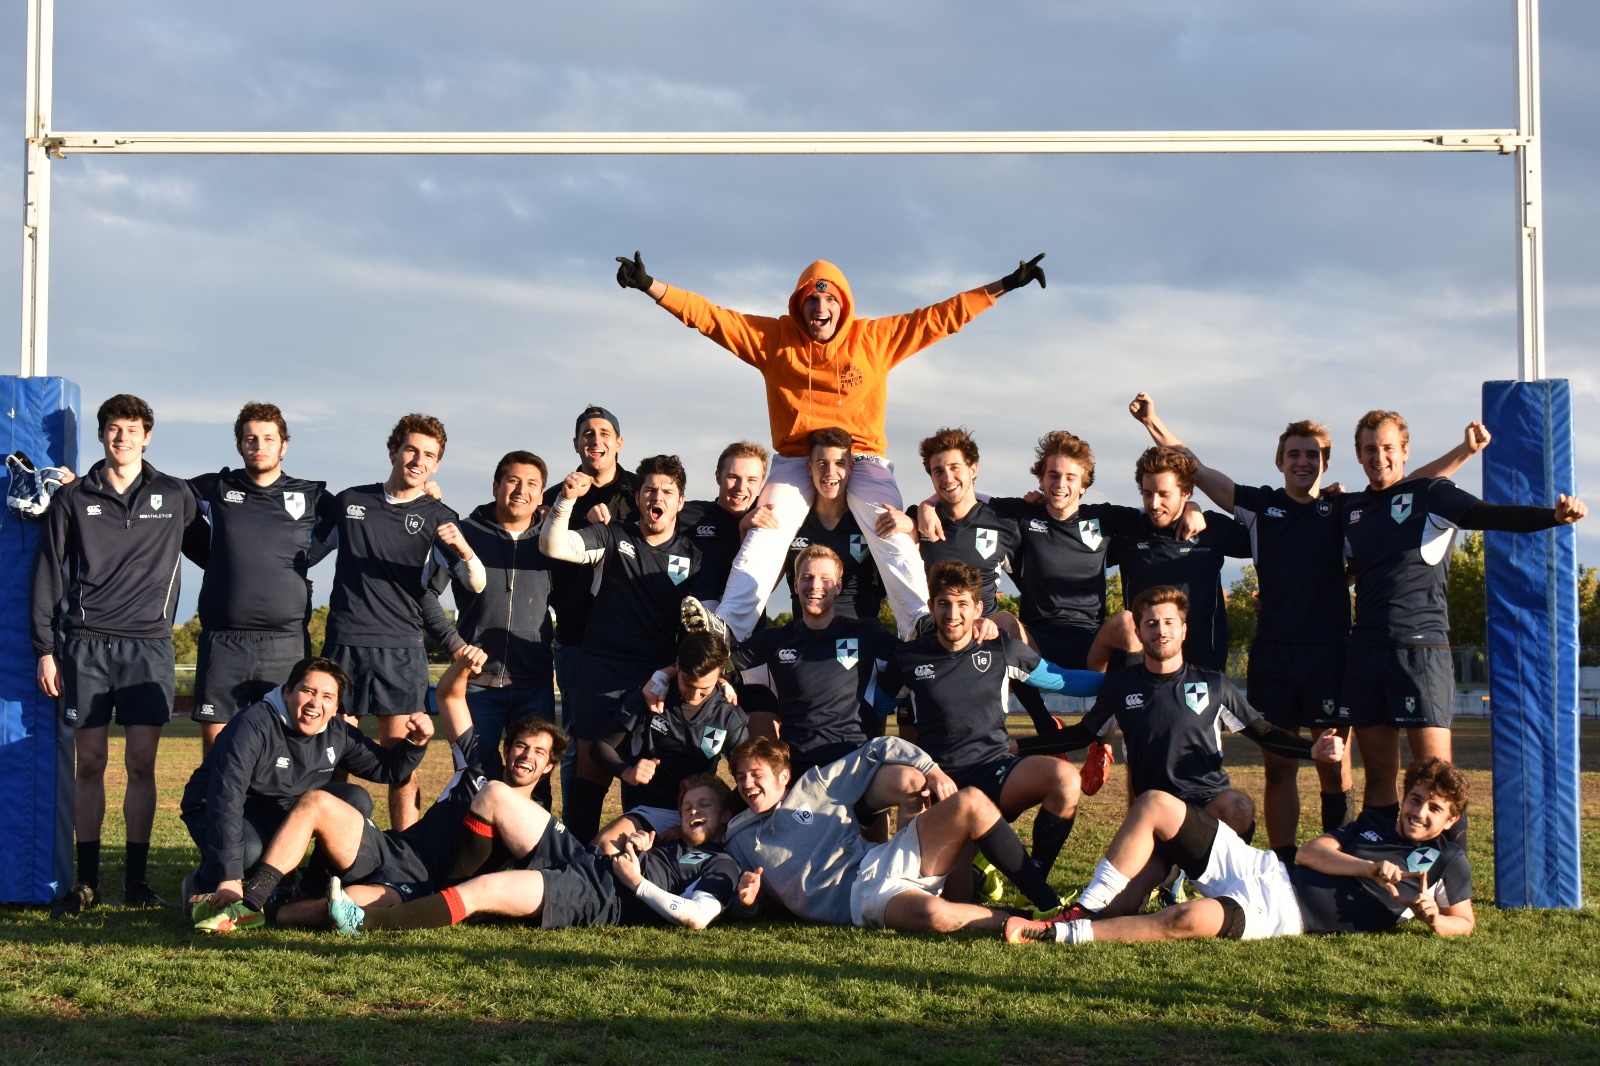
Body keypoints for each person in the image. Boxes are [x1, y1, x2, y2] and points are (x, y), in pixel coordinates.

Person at [616, 250, 1047, 640]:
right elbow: (710, 318)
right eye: (810, 301)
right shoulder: (774, 340)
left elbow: (941, 317)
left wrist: (1004, 285)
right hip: (798, 457)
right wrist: (652, 286)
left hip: (861, 457)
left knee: (890, 526)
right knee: (767, 529)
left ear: (843, 305)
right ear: (799, 305)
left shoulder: (874, 340)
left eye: (830, 301)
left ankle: (918, 620)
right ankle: (727, 628)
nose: (820, 309)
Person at [1129, 393, 1488, 860]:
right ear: (1280, 461)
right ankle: (1282, 864)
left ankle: (1336, 861)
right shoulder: (1259, 508)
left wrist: (1462, 454)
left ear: (1326, 462)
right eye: (1294, 453)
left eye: (1312, 454)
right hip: (1274, 656)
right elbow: (1193, 467)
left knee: (1335, 770)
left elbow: (1411, 485)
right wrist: (1153, 420)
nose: (1303, 461)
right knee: (1279, 768)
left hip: (1332, 657)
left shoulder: (1346, 511)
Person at [1338, 409, 1585, 842]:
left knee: (1436, 781)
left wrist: (1553, 516)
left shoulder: (1431, 495)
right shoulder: (1353, 510)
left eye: (1388, 448)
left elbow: (1487, 515)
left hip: (1420, 651)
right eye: (1370, 448)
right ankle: (1386, 865)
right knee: (1379, 774)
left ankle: (1450, 881)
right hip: (1366, 651)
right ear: (1358, 454)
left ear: (1404, 450)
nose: (1380, 456)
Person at [1018, 585, 1345, 912]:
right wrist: (1018, 745)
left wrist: (1312, 750)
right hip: (1153, 819)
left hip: (1206, 812)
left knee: (1238, 805)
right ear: (1138, 632)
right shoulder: (1121, 686)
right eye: (1151, 623)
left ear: (1184, 630)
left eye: (1169, 622)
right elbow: (1080, 735)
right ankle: (1160, 876)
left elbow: (1264, 732)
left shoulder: (1213, 684)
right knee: (1117, 909)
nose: (1161, 630)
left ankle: (1201, 876)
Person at [207, 653, 563, 932]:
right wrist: (461, 664)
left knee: (341, 905)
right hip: (392, 850)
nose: (525, 756)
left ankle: (265, 913)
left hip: (421, 888)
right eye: (520, 746)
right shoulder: (477, 767)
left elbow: (534, 881)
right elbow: (449, 695)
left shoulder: (530, 822)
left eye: (538, 752)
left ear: (549, 766)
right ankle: (252, 897)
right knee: (317, 801)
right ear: (506, 750)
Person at [30, 393, 202, 912]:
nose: (122, 436)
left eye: (132, 428)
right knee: (91, 763)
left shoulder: (176, 496)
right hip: (84, 645)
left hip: (147, 645)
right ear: (102, 435)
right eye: (113, 428)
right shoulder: (73, 498)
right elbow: (46, 577)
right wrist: (45, 649)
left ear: (147, 436)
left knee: (143, 764)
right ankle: (86, 882)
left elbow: (221, 548)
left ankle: (136, 882)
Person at [1003, 758, 1474, 944]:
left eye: (1435, 809)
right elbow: (1311, 853)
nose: (1420, 813)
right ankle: (1086, 906)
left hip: (1282, 912)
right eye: (1416, 799)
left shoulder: (1449, 861)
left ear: (1450, 820)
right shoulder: (1372, 824)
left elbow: (1464, 922)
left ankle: (1065, 937)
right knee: (1156, 804)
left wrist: (1433, 916)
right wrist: (1371, 867)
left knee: (1189, 921)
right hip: (1264, 865)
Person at [874, 561, 1105, 876]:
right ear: (931, 606)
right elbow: (873, 709)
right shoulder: (909, 658)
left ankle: (1036, 876)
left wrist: (1128, 680)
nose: (952, 614)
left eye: (962, 604)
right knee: (951, 892)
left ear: (978, 608)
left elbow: (1063, 680)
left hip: (996, 773)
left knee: (1064, 779)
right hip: (942, 784)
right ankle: (973, 868)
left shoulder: (1001, 649)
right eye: (943, 603)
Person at [539, 453, 719, 842]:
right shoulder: (612, 535)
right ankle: (577, 863)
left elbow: (704, 629)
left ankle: (637, 864)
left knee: (644, 775)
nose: (658, 496)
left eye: (667, 491)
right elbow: (554, 545)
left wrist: (710, 675)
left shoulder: (694, 558)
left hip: (657, 679)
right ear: (637, 497)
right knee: (591, 770)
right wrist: (565, 500)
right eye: (650, 489)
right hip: (603, 672)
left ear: (680, 501)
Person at [317, 412, 485, 830]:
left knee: (402, 762)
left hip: (401, 650)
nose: (418, 460)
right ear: (393, 451)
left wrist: (464, 548)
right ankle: (325, 861)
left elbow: (475, 583)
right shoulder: (351, 500)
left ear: (437, 464)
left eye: (429, 454)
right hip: (345, 645)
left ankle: (402, 863)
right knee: (330, 756)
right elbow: (303, 551)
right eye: (411, 449)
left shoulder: (440, 516)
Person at [178, 655, 432, 926]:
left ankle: (310, 888)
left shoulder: (337, 731)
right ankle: (200, 883)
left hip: (283, 806)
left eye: (327, 696)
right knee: (248, 851)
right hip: (219, 806)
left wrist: (415, 742)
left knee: (354, 799)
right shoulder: (252, 725)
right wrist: (229, 874)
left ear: (336, 706)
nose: (315, 703)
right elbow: (225, 798)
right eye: (308, 691)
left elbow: (386, 769)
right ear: (288, 692)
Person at [325, 774, 744, 934]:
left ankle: (366, 923)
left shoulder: (721, 864)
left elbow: (697, 917)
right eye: (689, 803)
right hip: (585, 859)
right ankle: (435, 889)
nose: (693, 810)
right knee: (493, 794)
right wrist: (646, 849)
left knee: (483, 890)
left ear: (726, 816)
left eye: (704, 806)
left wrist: (638, 883)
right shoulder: (668, 839)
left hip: (599, 894)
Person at [725, 735, 1064, 932]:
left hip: (883, 857)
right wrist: (749, 903)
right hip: (863, 897)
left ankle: (1050, 906)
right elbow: (741, 904)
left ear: (783, 776)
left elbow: (877, 748)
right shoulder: (737, 838)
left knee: (972, 801)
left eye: (756, 774)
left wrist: (930, 769)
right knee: (934, 914)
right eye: (740, 778)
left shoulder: (815, 787)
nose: (747, 784)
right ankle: (1027, 923)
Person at [184, 402, 335, 755]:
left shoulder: (310, 495)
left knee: (285, 750)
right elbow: (155, 495)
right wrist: (215, 559)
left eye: (269, 438)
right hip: (223, 642)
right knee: (219, 754)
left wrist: (425, 495)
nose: (259, 445)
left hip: (284, 643)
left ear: (284, 444)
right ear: (239, 445)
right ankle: (220, 812)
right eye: (250, 439)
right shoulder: (215, 488)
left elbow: (361, 515)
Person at [698, 545, 898, 779]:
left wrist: (884, 702)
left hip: (854, 763)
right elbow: (717, 665)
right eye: (807, 578)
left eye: (825, 579)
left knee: (908, 783)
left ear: (838, 586)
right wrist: (719, 680)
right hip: (798, 768)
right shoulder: (775, 639)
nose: (815, 586)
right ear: (795, 585)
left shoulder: (866, 633)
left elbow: (912, 661)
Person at [539, 405, 641, 810]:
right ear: (576, 444)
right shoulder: (558, 497)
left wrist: (615, 529)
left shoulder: (639, 493)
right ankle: (575, 833)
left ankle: (640, 826)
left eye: (603, 433)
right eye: (587, 434)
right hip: (577, 637)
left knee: (638, 736)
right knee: (576, 739)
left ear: (618, 442)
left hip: (634, 641)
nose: (595, 440)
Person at [451, 449, 559, 794]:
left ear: (541, 495)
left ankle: (532, 849)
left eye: (531, 484)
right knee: (474, 779)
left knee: (535, 783)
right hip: (477, 684)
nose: (520, 491)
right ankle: (471, 847)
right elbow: (425, 593)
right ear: (496, 485)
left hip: (533, 684)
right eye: (512, 481)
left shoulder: (550, 542)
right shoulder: (465, 533)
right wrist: (454, 645)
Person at [591, 632, 749, 846]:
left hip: (701, 812)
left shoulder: (728, 714)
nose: (693, 695)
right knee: (604, 845)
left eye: (704, 689)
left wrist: (713, 816)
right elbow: (601, 746)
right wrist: (627, 772)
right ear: (677, 666)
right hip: (651, 810)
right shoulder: (652, 695)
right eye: (688, 684)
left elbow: (749, 775)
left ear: (720, 674)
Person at [1106, 447, 1250, 671]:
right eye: (1147, 493)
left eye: (1164, 494)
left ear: (1186, 493)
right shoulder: (1126, 532)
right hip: (1142, 673)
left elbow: (1273, 544)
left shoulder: (1212, 529)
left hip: (1205, 669)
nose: (1154, 503)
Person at [778, 428, 886, 623]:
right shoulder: (793, 521)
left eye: (839, 463)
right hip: (806, 640)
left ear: (851, 467)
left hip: (857, 641)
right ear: (810, 467)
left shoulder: (868, 520)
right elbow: (766, 579)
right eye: (822, 463)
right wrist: (746, 527)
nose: (830, 472)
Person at [679, 441, 771, 601]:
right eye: (733, 477)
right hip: (689, 619)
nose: (741, 487)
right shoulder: (684, 514)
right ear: (718, 477)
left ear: (762, 482)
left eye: (751, 480)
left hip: (747, 623)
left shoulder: (769, 518)